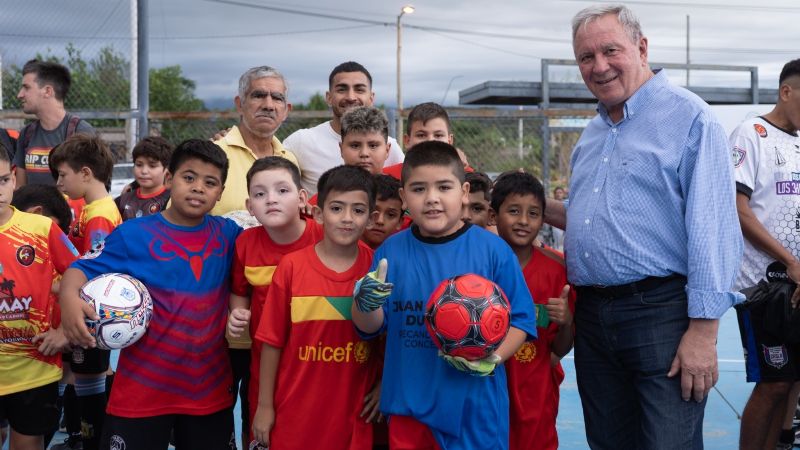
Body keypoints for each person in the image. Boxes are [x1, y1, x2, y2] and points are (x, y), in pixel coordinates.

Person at [542, 5, 743, 448]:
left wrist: (704, 332)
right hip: (594, 317)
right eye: (585, 58)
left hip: (662, 315)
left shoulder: (690, 118)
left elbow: (713, 229)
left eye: (610, 50)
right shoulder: (593, 134)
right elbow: (593, 219)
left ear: (642, 47)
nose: (599, 66)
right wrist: (526, 205)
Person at [351, 141, 537, 450]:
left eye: (444, 187)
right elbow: (369, 327)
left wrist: (494, 358)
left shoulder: (494, 252)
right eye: (419, 189)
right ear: (403, 197)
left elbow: (521, 320)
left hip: (476, 409)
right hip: (410, 411)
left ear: (463, 193)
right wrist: (364, 305)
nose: (432, 198)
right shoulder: (390, 254)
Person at [59, 139, 242, 449]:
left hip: (208, 391)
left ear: (220, 193)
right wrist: (68, 300)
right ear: (169, 179)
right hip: (142, 392)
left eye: (210, 183)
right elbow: (80, 268)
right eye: (189, 177)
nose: (198, 187)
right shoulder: (134, 234)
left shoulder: (229, 234)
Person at [250, 165, 380, 449]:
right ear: (318, 213)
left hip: (352, 418)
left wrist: (384, 385)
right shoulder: (292, 267)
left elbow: (388, 339)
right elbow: (271, 342)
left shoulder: (375, 268)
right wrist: (265, 405)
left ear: (371, 219)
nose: (347, 218)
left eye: (358, 211)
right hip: (294, 414)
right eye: (336, 208)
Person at [226, 156, 323, 449]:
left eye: (282, 190)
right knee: (263, 434)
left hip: (316, 362)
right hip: (265, 363)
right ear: (249, 207)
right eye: (260, 194)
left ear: (302, 197)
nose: (271, 199)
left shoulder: (324, 238)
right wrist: (238, 312)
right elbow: (240, 291)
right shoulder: (245, 243)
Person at [729, 58, 800, 450]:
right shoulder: (750, 134)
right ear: (786, 92)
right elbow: (739, 210)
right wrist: (790, 262)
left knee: (791, 381)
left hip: (797, 283)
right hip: (764, 288)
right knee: (772, 384)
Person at [0, 145, 79, 450]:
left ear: (15, 178)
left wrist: (64, 332)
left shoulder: (41, 229)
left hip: (34, 369)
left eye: (3, 180)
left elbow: (82, 277)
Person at [491, 171, 575, 450]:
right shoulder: (478, 265)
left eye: (533, 213)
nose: (524, 221)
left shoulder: (558, 270)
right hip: (486, 387)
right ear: (495, 215)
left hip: (535, 393)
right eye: (514, 211)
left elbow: (560, 349)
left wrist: (565, 322)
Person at [49, 134, 121, 450]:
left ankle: (94, 441)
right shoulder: (93, 209)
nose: (59, 183)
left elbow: (97, 272)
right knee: (83, 376)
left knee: (88, 378)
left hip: (91, 313)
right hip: (89, 311)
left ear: (86, 173)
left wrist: (59, 289)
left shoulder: (100, 215)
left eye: (63, 175)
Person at [283, 61, 403, 194]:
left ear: (371, 97)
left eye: (359, 89)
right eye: (342, 89)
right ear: (329, 98)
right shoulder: (301, 141)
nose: (351, 97)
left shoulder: (389, 145)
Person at [212, 66, 299, 216]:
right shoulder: (212, 156)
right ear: (240, 104)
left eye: (277, 98)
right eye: (258, 95)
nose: (268, 106)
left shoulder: (290, 159)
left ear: (286, 111)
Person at [14, 59, 94, 187]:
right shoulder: (26, 134)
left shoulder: (80, 132)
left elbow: (93, 187)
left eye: (26, 87)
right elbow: (20, 188)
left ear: (48, 91)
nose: (20, 95)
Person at [383, 102, 470, 180]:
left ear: (450, 140)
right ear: (407, 141)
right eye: (421, 135)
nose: (430, 141)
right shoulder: (387, 177)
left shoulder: (466, 175)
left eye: (438, 135)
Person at [115, 136, 173, 221]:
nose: (144, 171)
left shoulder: (172, 202)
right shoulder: (122, 201)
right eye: (139, 165)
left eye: (152, 166)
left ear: (166, 170)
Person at [362, 174, 403, 249]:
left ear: (400, 222)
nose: (380, 221)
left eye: (391, 215)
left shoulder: (405, 258)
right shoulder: (336, 251)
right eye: (373, 210)